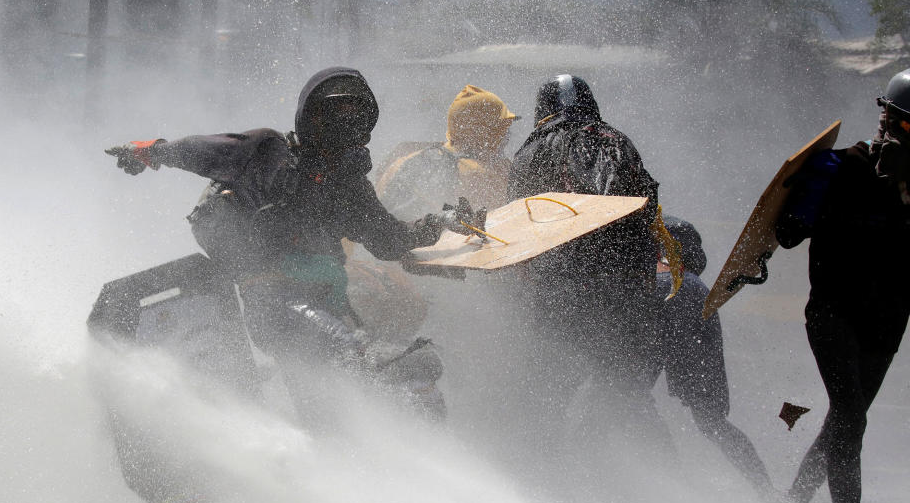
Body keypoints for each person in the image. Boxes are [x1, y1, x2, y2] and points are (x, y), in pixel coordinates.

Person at [106, 67, 480, 428]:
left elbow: (388, 240)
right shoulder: (268, 153)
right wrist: (151, 152)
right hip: (271, 299)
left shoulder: (350, 186)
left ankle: (350, 455)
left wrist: (441, 224)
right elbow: (200, 151)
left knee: (335, 392)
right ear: (309, 118)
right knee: (350, 357)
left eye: (353, 117)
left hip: (322, 296)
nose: (342, 126)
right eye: (332, 116)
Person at [777, 67, 910, 503]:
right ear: (891, 122)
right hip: (832, 314)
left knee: (842, 420)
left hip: (887, 325)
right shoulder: (836, 167)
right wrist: (813, 193)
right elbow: (787, 233)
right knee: (852, 420)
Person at [507, 74, 669, 448]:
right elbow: (629, 210)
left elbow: (517, 224)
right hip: (622, 288)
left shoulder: (528, 153)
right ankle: (642, 470)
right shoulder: (614, 140)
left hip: (556, 288)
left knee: (553, 385)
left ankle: (546, 465)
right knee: (622, 388)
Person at [649, 216, 773, 495]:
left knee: (625, 394)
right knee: (711, 421)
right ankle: (766, 490)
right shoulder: (693, 281)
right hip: (695, 300)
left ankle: (670, 486)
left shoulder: (655, 241)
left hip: (667, 296)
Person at [375, 84, 519, 220]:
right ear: (480, 131)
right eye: (501, 129)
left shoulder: (408, 159)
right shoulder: (477, 173)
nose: (507, 137)